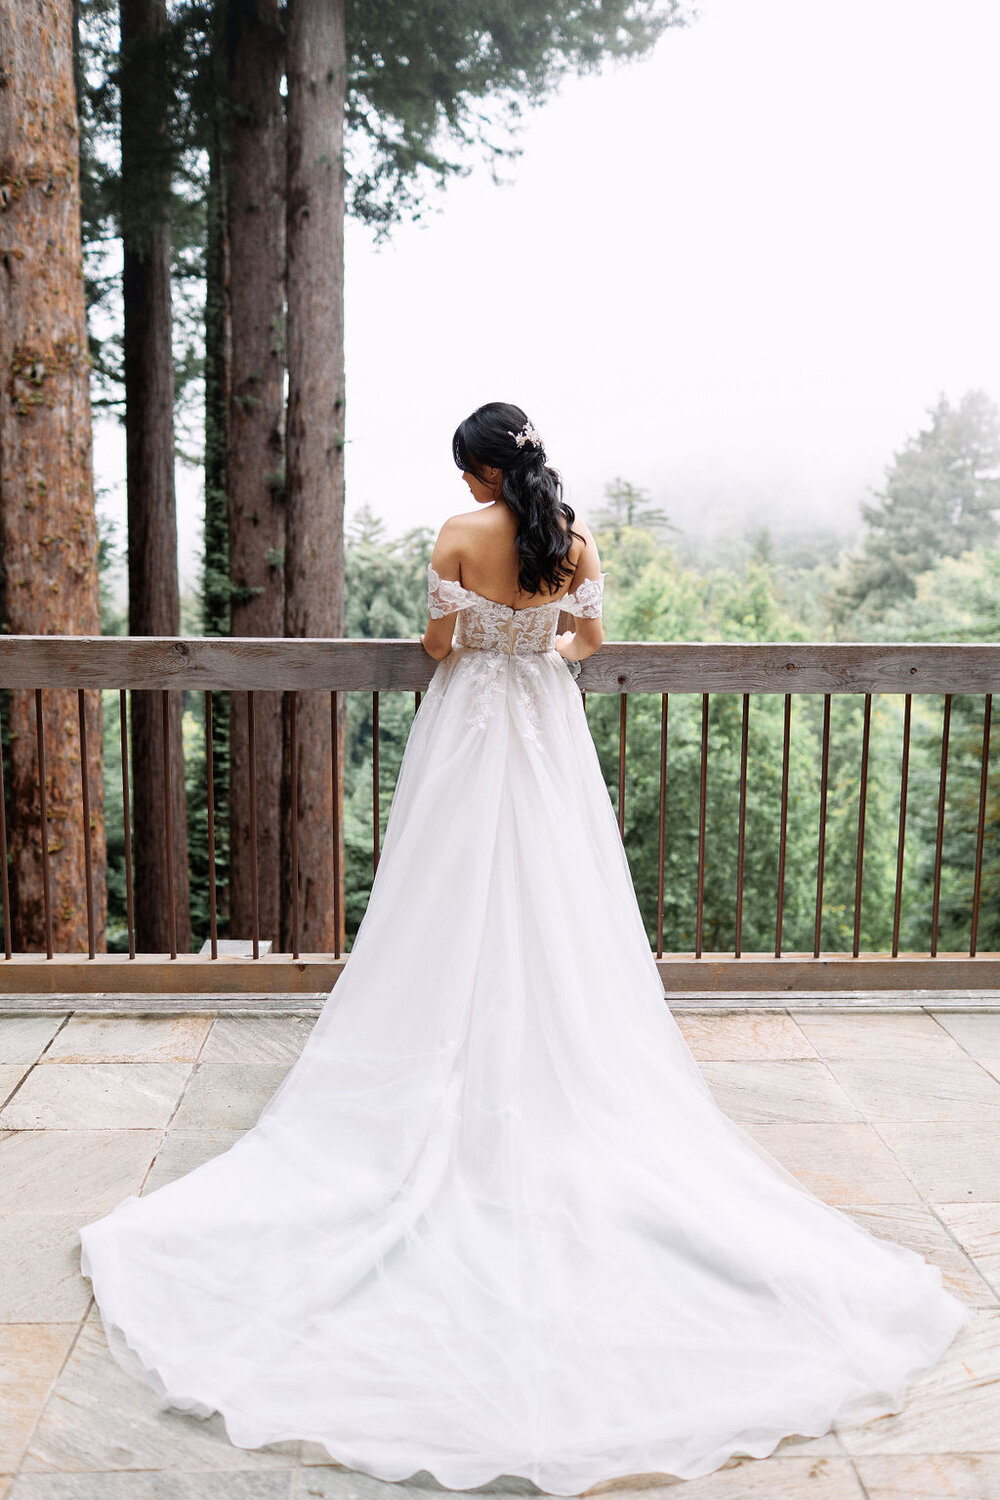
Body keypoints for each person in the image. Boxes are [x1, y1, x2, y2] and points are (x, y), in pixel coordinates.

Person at [79, 402, 967, 1494]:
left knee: (443, 892)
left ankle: (440, 1050)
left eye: (464, 467)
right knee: (559, 892)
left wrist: (477, 634)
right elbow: (590, 642)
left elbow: (438, 643)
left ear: (481, 471)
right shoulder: (573, 537)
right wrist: (538, 639)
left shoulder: (457, 535)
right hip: (545, 726)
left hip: (468, 730)